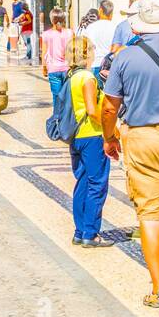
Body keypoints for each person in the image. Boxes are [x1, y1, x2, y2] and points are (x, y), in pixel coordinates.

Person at [102, 0, 159, 308]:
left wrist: (109, 138)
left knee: (150, 215)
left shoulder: (126, 57)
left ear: (139, 25)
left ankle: (158, 289)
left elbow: (109, 107)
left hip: (142, 139)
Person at [64, 35, 113, 249]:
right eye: (92, 50)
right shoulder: (87, 78)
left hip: (76, 136)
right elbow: (93, 110)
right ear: (86, 54)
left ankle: (79, 230)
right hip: (92, 134)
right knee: (97, 183)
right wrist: (112, 132)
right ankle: (91, 234)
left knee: (82, 183)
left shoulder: (71, 76)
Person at [78, 0, 120, 79]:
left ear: (100, 10)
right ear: (111, 13)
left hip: (94, 64)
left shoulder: (91, 28)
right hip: (111, 66)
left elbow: (84, 47)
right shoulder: (116, 27)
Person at [41, 8, 72, 112]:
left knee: (57, 98)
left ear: (51, 20)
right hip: (68, 70)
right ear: (63, 19)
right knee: (68, 98)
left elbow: (44, 53)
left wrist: (44, 68)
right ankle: (66, 122)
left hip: (53, 69)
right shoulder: (70, 33)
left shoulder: (46, 35)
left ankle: (57, 122)